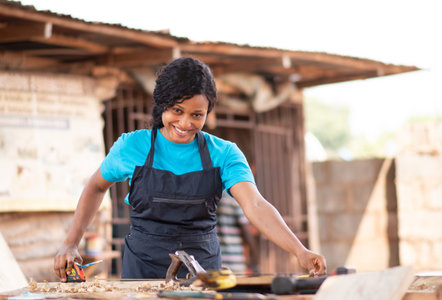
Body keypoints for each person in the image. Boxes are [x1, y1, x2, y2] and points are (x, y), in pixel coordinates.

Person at [54, 57, 326, 281]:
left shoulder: (225, 153)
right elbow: (96, 187)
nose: (185, 123)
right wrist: (70, 242)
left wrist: (299, 251)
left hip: (203, 274)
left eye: (197, 115)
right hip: (142, 272)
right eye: (176, 110)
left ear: (208, 112)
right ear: (162, 105)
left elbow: (254, 203)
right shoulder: (131, 147)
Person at [217, 189, 259, 274]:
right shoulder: (233, 197)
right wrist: (254, 263)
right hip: (234, 264)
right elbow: (246, 231)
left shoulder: (210, 196)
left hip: (215, 263)